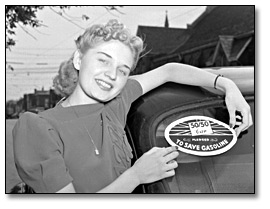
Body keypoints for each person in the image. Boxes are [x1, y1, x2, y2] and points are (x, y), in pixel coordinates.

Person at [12, 19, 253, 193]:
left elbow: (170, 70)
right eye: (103, 60)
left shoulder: (118, 101)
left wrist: (228, 87)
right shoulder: (38, 128)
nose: (111, 75)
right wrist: (137, 175)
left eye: (122, 70)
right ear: (78, 59)